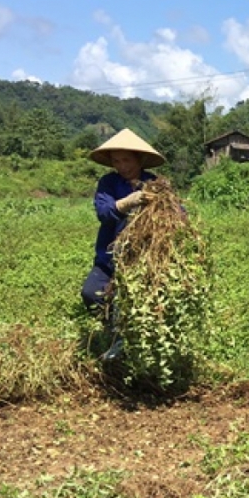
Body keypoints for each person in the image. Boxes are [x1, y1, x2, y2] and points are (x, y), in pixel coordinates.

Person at [81, 128, 166, 359]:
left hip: (143, 261)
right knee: (91, 293)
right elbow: (104, 212)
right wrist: (127, 202)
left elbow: (177, 214)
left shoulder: (156, 184)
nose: (122, 166)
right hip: (109, 258)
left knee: (138, 300)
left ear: (139, 160)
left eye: (127, 159)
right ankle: (113, 331)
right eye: (116, 161)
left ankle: (134, 341)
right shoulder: (108, 183)